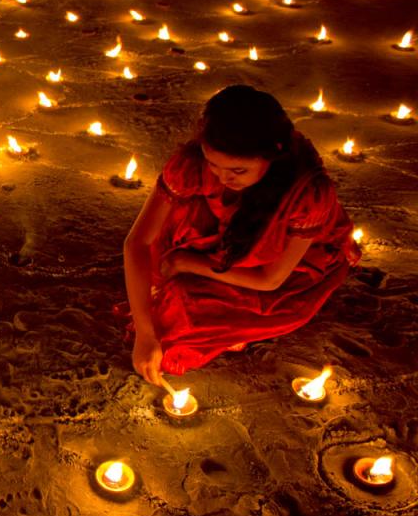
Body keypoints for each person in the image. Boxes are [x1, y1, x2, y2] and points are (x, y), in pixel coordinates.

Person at [123, 85, 360, 385]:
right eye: (213, 164)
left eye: (238, 170)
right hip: (216, 237)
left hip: (277, 269)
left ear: (272, 155)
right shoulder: (193, 165)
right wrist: (145, 334)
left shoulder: (306, 195)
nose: (223, 177)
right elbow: (137, 242)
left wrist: (186, 262)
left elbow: (270, 280)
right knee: (153, 309)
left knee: (175, 341)